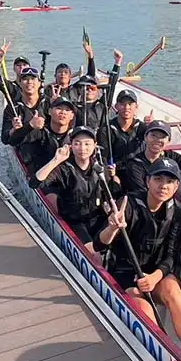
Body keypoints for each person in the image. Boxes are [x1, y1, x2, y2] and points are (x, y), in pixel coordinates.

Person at [96, 158, 181, 361]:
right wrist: (112, 227)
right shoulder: (127, 204)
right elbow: (100, 242)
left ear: (176, 187)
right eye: (158, 179)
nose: (163, 185)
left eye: (169, 181)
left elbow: (171, 257)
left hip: (155, 274)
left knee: (173, 289)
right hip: (127, 274)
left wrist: (155, 277)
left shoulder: (175, 213)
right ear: (148, 181)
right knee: (145, 308)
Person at [29, 127, 120, 256]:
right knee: (92, 252)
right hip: (74, 221)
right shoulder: (63, 169)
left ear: (94, 146)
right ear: (71, 146)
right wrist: (56, 160)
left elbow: (109, 191)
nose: (82, 148)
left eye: (87, 144)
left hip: (97, 217)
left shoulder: (100, 166)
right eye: (77, 143)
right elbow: (34, 183)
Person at [120, 119, 181, 195]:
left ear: (168, 141)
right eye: (153, 136)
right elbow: (142, 193)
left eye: (163, 137)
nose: (158, 140)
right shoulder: (135, 165)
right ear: (145, 137)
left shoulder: (170, 157)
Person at [97, 89, 151, 173]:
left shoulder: (142, 128)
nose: (127, 108)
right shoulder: (106, 129)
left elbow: (155, 145)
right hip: (116, 172)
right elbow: (103, 157)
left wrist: (152, 126)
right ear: (116, 106)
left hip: (138, 171)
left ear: (136, 107)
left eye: (130, 104)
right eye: (122, 104)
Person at [18, 96, 76, 173]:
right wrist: (27, 127)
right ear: (49, 111)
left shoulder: (75, 136)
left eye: (67, 110)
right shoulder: (39, 132)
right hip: (40, 173)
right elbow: (12, 141)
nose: (63, 112)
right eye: (59, 108)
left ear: (72, 116)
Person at [0, 66, 48, 148]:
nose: (29, 82)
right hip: (24, 148)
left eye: (33, 78)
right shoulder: (12, 108)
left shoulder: (48, 103)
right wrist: (14, 130)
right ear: (20, 83)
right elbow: (5, 139)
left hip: (46, 146)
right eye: (25, 79)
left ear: (39, 83)